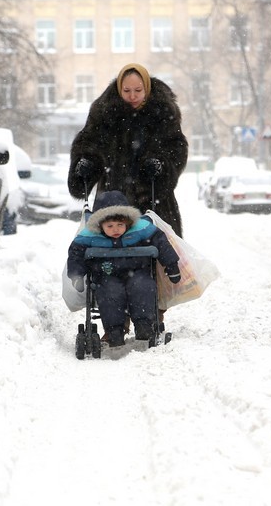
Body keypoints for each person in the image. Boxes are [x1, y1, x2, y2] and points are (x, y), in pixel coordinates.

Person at [68, 63, 188, 237]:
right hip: (112, 207)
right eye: (126, 91)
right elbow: (87, 144)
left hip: (155, 204)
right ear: (119, 89)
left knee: (161, 257)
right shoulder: (103, 113)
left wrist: (161, 166)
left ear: (146, 88)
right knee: (110, 260)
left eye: (138, 90)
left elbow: (177, 149)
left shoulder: (163, 113)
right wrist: (86, 164)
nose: (132, 96)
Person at [66, 191, 181, 347]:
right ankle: (114, 331)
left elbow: (161, 242)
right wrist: (77, 275)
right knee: (110, 292)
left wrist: (171, 265)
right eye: (110, 226)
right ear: (100, 225)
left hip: (138, 271)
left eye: (120, 225)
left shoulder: (141, 229)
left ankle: (144, 325)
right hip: (106, 275)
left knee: (143, 287)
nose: (116, 230)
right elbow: (75, 253)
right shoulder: (90, 236)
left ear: (128, 221)